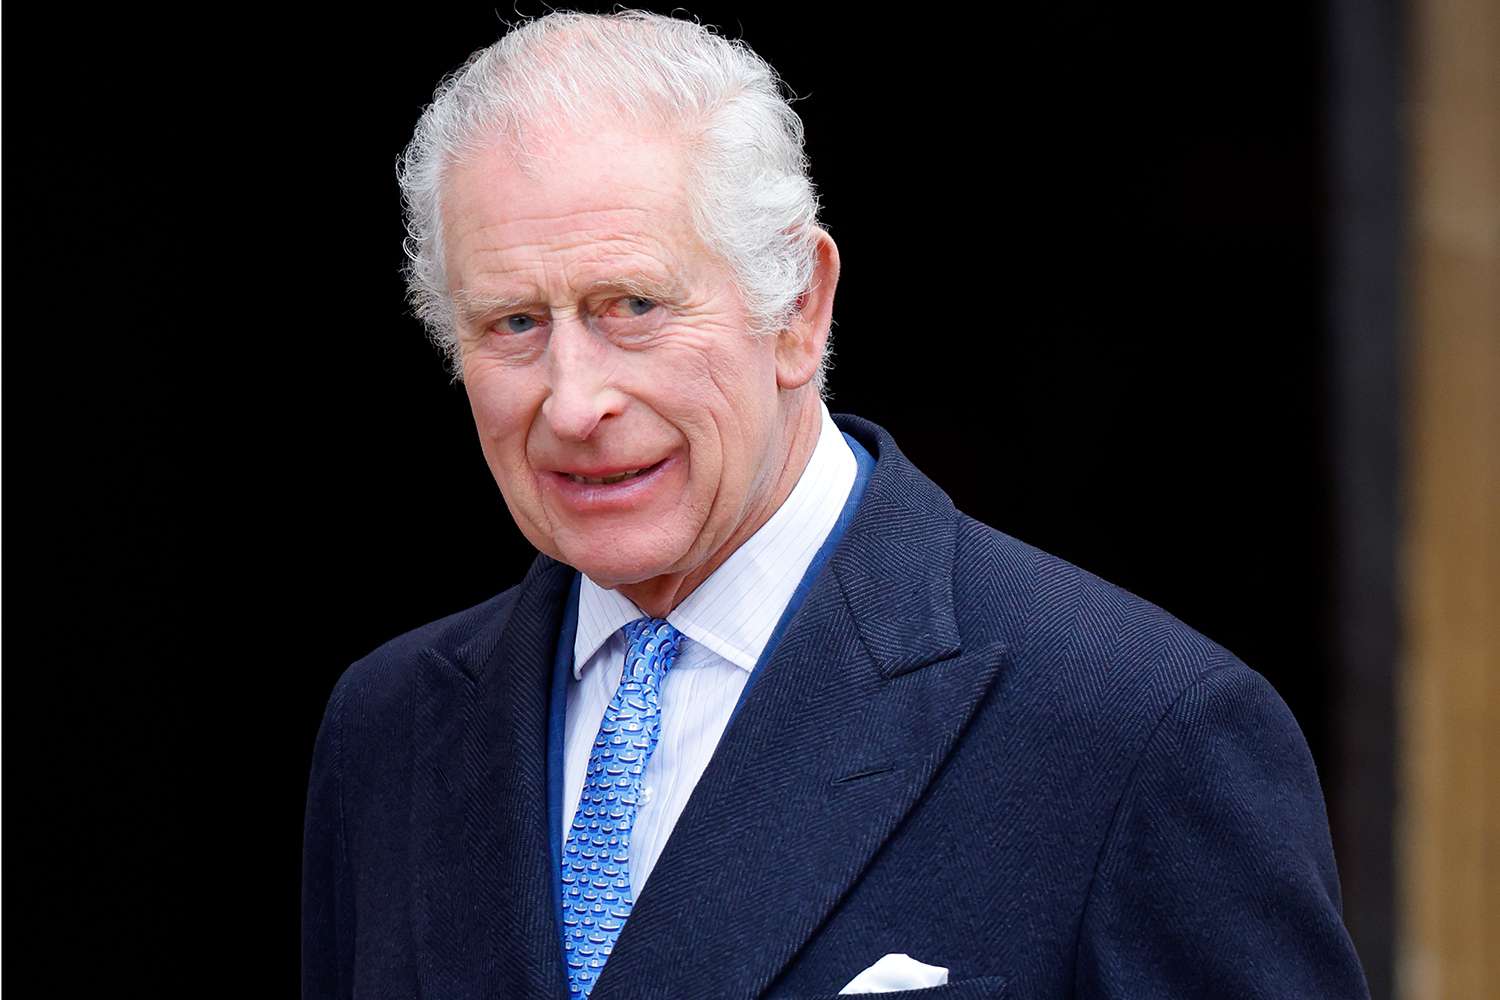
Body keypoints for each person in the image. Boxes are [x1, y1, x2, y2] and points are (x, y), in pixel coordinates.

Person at [301, 11, 1370, 999]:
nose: (576, 402)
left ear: (798, 310)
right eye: (515, 323)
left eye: (633, 305)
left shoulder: (1139, 728)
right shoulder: (389, 729)